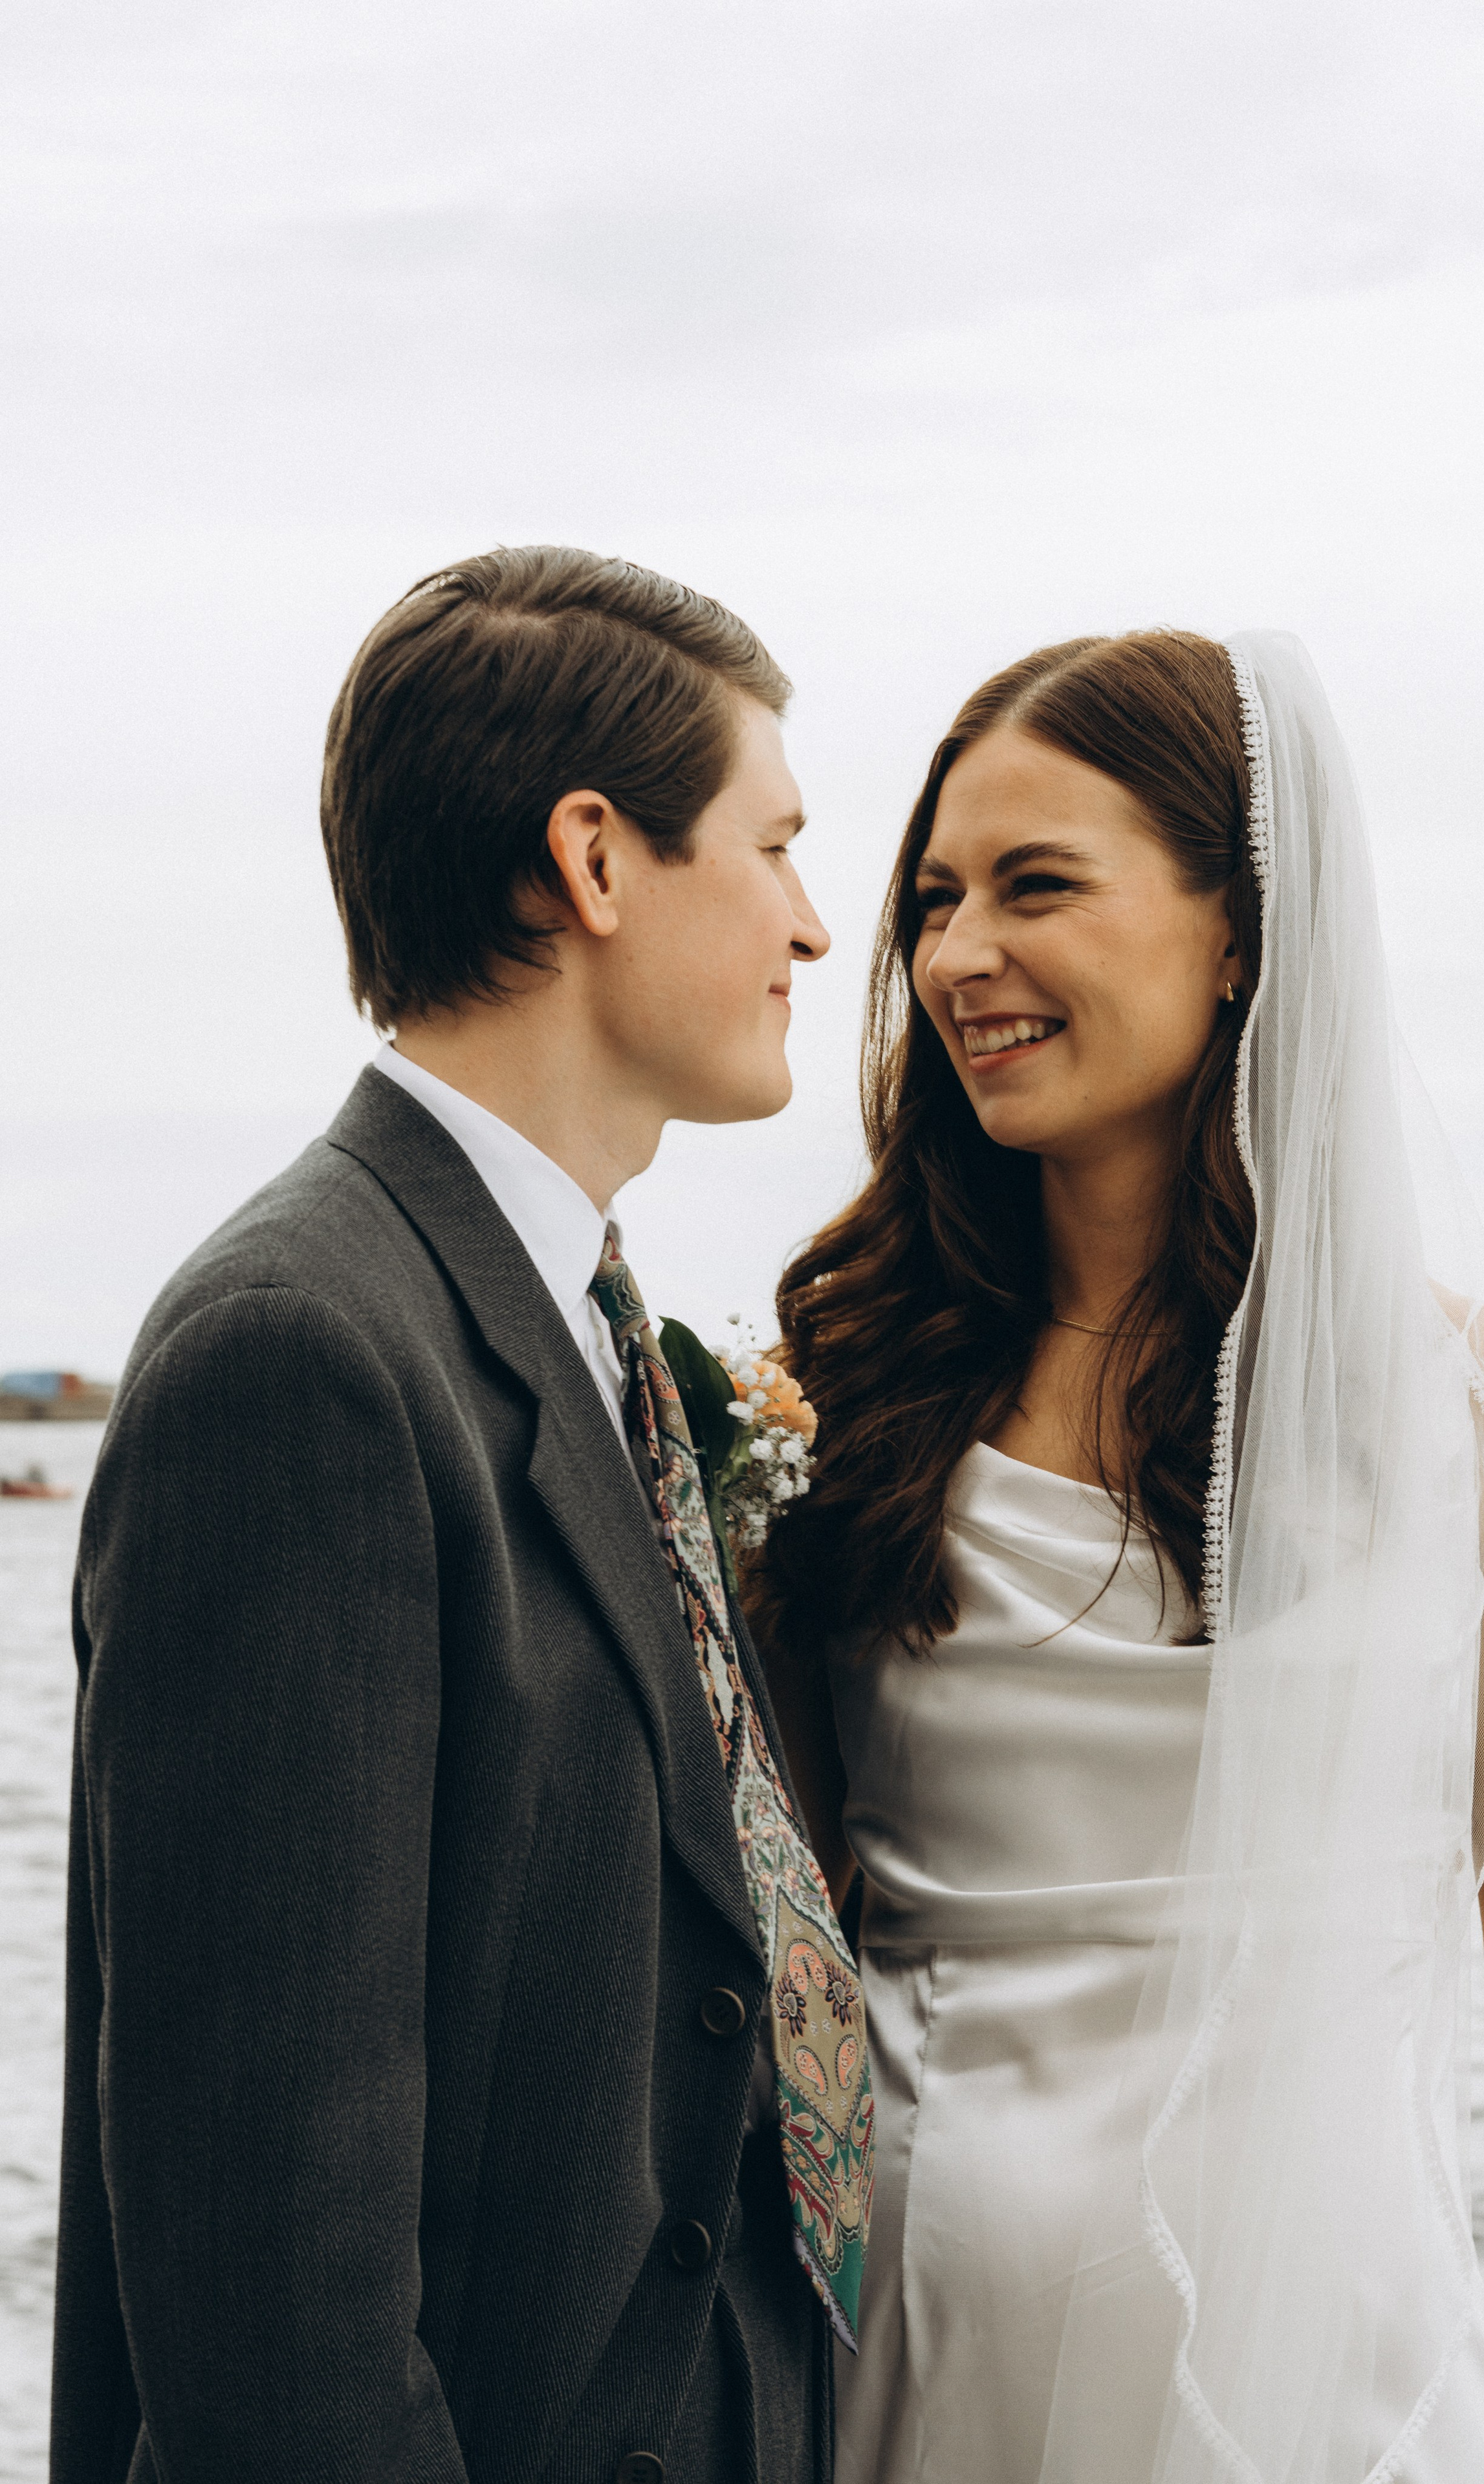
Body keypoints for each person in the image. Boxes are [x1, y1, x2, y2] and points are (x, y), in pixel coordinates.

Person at [748, 629, 1484, 2481]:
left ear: (1241, 928)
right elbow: (783, 1962)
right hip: (930, 2373)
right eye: (935, 897)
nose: (956, 957)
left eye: (1038, 886)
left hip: (1341, 2380)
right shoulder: (838, 1405)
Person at [50, 545, 872, 2484]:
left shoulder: (568, 1323)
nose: (818, 928)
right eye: (774, 844)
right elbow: (277, 2278)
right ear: (594, 861)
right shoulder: (304, 1351)